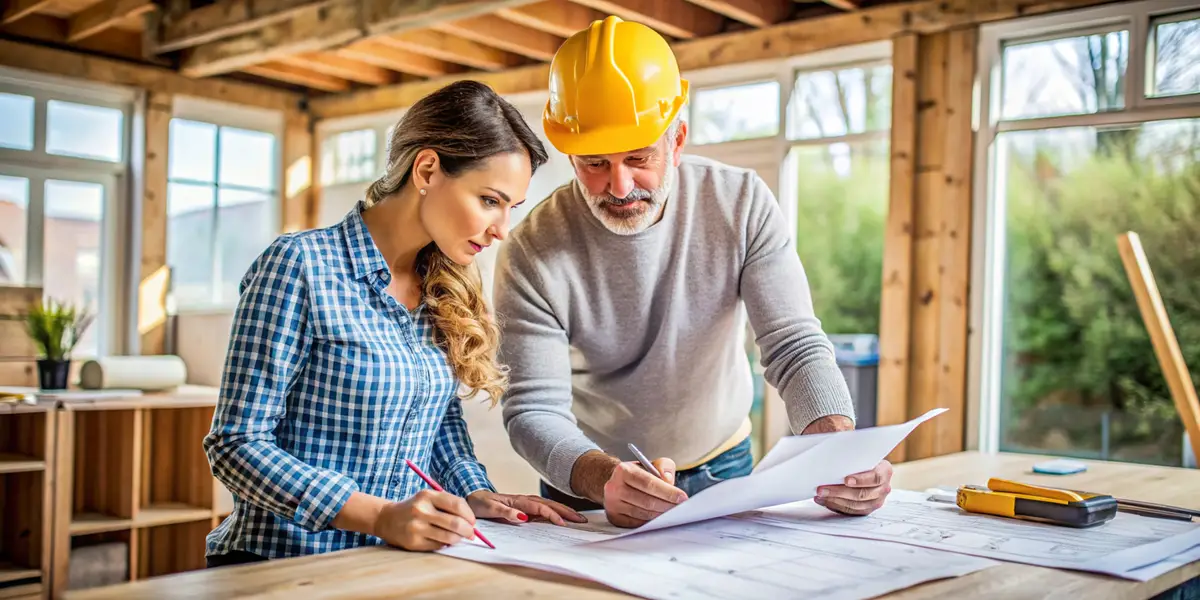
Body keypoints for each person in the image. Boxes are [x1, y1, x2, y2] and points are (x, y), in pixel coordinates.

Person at [493, 16, 894, 529]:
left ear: (677, 139)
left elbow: (793, 345)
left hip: (724, 464)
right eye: (594, 163)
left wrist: (837, 451)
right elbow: (534, 412)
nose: (619, 186)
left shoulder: (741, 203)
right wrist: (604, 478)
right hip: (590, 481)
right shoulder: (531, 248)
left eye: (639, 158)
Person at [203, 80, 585, 568]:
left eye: (512, 206)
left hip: (387, 565)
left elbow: (438, 424)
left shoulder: (442, 285)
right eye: (490, 200)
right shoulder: (300, 265)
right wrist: (378, 516)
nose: (502, 228)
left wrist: (475, 495)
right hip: (278, 565)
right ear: (427, 169)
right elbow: (236, 445)